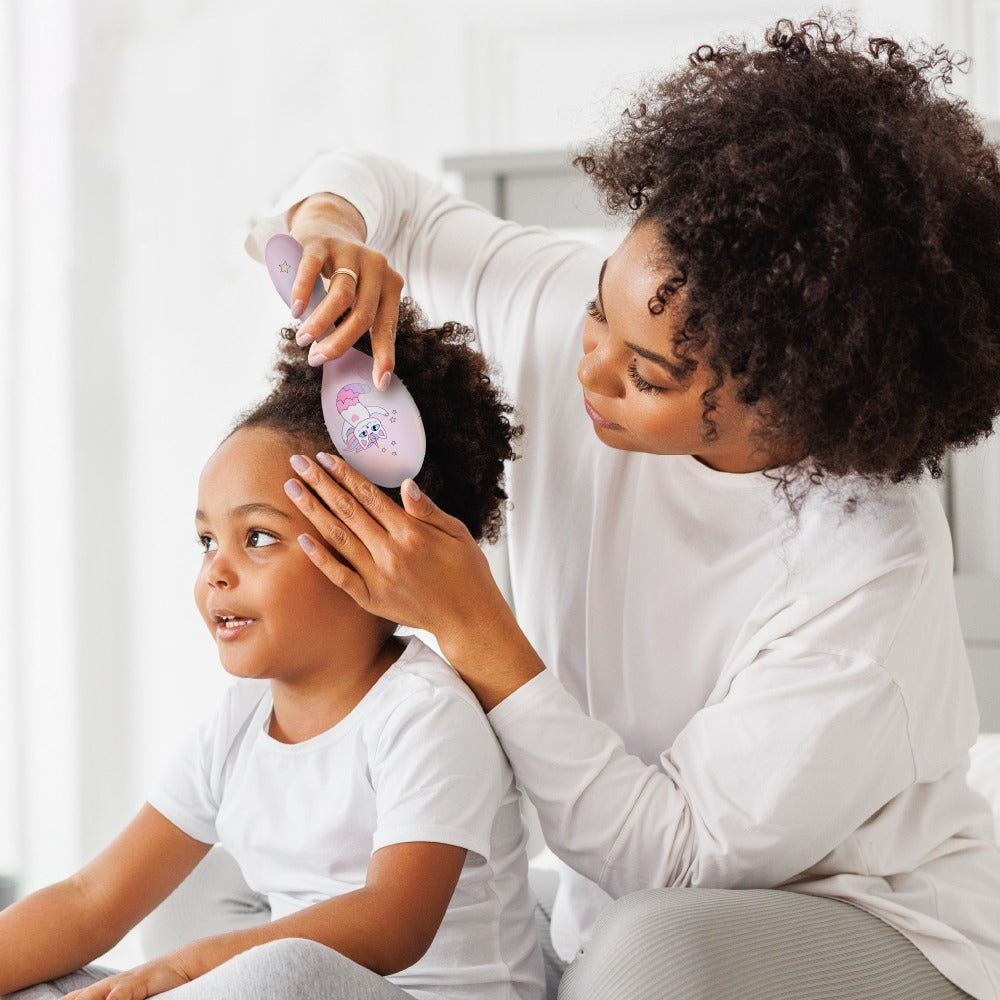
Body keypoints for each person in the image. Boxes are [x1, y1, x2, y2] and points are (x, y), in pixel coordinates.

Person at [240, 14, 1000, 1000]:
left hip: (872, 934)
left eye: (647, 375)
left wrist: (470, 623)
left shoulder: (864, 571)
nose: (589, 364)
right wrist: (332, 231)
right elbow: (385, 198)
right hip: (616, 933)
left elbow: (674, 860)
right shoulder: (576, 328)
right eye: (603, 303)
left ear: (797, 409)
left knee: (648, 951)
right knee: (270, 940)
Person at [0, 303, 544, 1000]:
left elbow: (393, 924)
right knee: (47, 980)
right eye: (206, 542)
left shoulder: (425, 712)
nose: (215, 572)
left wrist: (194, 966)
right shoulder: (237, 724)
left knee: (281, 973)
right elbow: (89, 899)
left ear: (368, 549)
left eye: (256, 538)